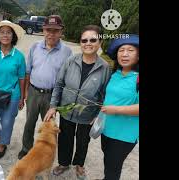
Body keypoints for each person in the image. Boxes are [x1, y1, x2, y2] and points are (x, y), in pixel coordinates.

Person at [44, 25, 111, 178]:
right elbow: (59, 84)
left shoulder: (105, 67)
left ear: (99, 42)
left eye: (93, 40)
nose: (88, 43)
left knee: (83, 141)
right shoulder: (70, 61)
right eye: (84, 40)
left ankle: (79, 165)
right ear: (80, 43)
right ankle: (64, 163)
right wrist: (53, 106)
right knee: (65, 138)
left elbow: (105, 94)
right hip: (67, 110)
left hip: (87, 114)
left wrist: (99, 114)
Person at [18, 15, 73, 160]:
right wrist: (25, 94)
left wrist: (57, 102)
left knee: (50, 127)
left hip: (52, 96)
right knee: (29, 123)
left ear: (61, 32)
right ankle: (26, 148)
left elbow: (66, 78)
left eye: (55, 30)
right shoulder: (35, 47)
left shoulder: (67, 52)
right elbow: (28, 72)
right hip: (33, 92)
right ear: (43, 30)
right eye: (48, 29)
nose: (51, 33)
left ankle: (46, 154)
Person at [98, 34, 139, 180]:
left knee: (113, 169)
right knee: (108, 162)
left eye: (130, 50)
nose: (125, 54)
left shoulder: (138, 78)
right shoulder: (115, 74)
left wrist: (115, 110)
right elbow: (109, 99)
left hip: (124, 135)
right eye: (121, 50)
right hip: (107, 129)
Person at [0, 20, 26, 158]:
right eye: (2, 32)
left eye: (8, 32)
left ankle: (3, 143)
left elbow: (21, 78)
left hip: (12, 94)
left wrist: (22, 97)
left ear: (13, 36)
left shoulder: (18, 56)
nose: (5, 35)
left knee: (7, 121)